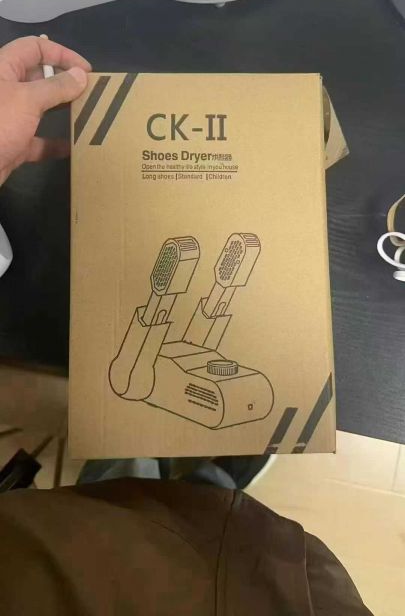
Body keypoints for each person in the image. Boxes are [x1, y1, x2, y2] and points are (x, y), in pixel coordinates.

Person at [0, 37, 373, 616]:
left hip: (63, 556)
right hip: (229, 582)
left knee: (126, 493)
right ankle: (201, 481)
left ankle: (134, 474)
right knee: (204, 512)